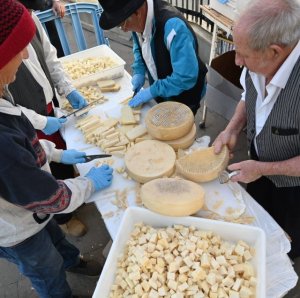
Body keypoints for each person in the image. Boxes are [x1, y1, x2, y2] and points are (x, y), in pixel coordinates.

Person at [0, 0, 114, 297]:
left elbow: (24, 135)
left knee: (54, 236)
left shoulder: (2, 92)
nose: (26, 55)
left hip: (30, 211)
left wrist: (58, 154)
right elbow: (51, 197)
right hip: (16, 228)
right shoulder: (2, 147)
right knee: (45, 270)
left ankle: (72, 260)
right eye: (18, 50)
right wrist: (88, 183)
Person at [213, 0, 300, 259]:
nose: (237, 61)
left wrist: (264, 169)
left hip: (294, 190)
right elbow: (247, 96)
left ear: (274, 51)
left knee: (287, 244)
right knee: (259, 226)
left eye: (243, 55)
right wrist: (231, 129)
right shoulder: (259, 60)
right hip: (258, 169)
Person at [9, 0, 89, 237]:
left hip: (47, 107)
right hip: (26, 119)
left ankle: (73, 192)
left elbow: (50, 58)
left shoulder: (30, 19)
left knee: (62, 153)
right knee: (44, 167)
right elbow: (6, 107)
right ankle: (63, 217)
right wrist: (40, 121)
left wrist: (67, 88)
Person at [98, 0, 208, 115]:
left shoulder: (174, 27)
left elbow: (186, 77)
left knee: (181, 129)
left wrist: (153, 90)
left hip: (186, 94)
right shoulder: (138, 20)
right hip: (163, 92)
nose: (125, 29)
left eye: (123, 24)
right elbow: (139, 45)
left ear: (137, 13)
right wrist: (139, 70)